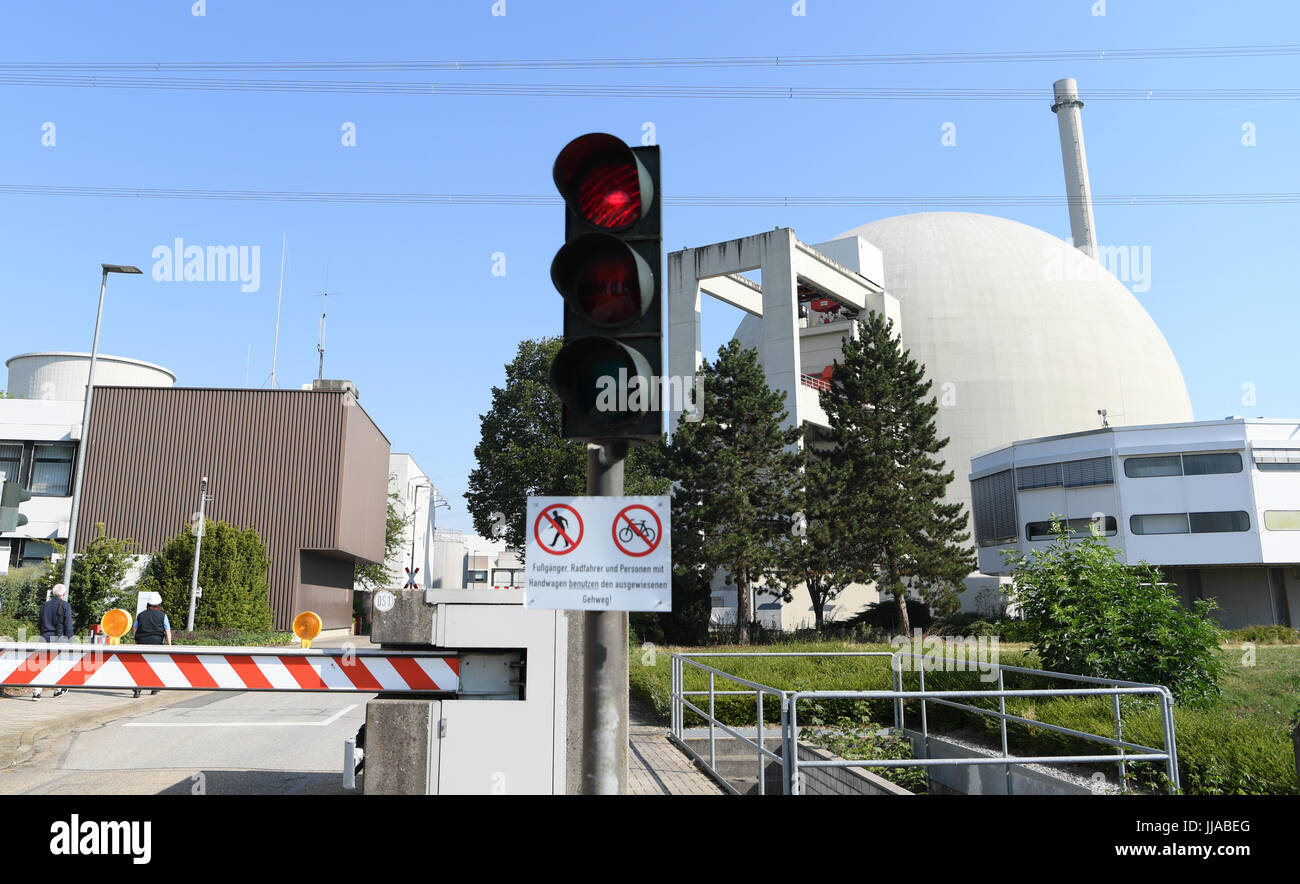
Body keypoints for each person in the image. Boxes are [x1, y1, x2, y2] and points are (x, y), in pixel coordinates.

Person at [35, 584, 75, 699]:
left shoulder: (44, 605)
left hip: (44, 637)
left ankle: (36, 692)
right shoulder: (65, 605)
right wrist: (69, 639)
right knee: (58, 665)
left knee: (41, 665)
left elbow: (39, 623)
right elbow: (68, 625)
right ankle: (59, 689)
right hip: (59, 638)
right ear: (64, 594)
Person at [131, 592, 172, 698]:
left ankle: (137, 689)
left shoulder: (141, 615)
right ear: (159, 605)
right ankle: (154, 688)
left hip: (142, 642)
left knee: (140, 666)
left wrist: (136, 640)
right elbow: (167, 630)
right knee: (155, 665)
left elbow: (135, 628)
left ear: (148, 604)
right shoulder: (163, 615)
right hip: (156, 643)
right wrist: (169, 644)